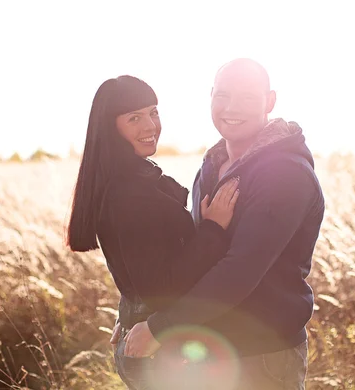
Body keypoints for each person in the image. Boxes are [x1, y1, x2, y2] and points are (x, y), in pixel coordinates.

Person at [122, 59, 325, 389]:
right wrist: (138, 317)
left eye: (247, 97)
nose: (232, 107)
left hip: (261, 355)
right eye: (223, 95)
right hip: (209, 351)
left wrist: (160, 329)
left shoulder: (284, 174)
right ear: (211, 96)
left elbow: (239, 270)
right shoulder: (214, 163)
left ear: (269, 101)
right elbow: (193, 258)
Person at [66, 75, 240, 389]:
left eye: (153, 112)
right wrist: (213, 230)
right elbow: (163, 286)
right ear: (111, 127)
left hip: (147, 333)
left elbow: (142, 268)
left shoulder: (127, 181)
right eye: (134, 118)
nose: (150, 126)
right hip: (158, 350)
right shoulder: (129, 194)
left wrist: (129, 310)